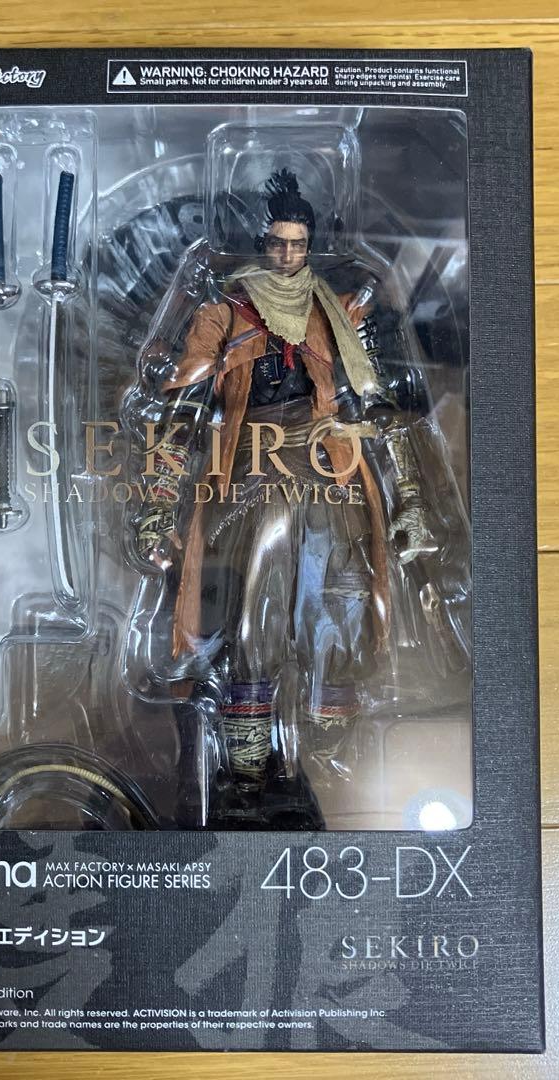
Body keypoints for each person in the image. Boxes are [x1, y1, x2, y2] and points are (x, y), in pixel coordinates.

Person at [132, 169, 436, 829]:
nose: (289, 255)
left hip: (329, 464)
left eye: (299, 244)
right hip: (252, 464)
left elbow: (379, 410)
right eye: (278, 243)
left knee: (338, 599)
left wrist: (410, 499)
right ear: (264, 244)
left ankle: (316, 757)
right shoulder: (224, 312)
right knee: (250, 610)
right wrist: (158, 503)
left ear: (310, 245)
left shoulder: (341, 312)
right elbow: (182, 412)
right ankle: (246, 765)